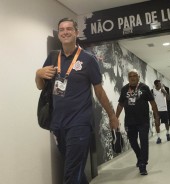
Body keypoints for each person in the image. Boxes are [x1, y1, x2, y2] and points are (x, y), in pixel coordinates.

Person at [35, 18, 119, 184]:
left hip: (79, 123)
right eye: (61, 30)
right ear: (59, 35)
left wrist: (112, 116)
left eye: (69, 29)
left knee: (71, 174)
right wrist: (38, 73)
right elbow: (40, 87)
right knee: (75, 170)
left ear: (76, 32)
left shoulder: (88, 59)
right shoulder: (52, 57)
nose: (65, 32)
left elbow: (99, 91)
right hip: (58, 124)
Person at [116, 69, 160, 175]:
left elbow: (152, 103)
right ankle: (139, 156)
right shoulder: (124, 89)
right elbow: (121, 104)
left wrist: (156, 116)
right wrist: (115, 117)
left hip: (143, 121)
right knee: (133, 142)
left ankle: (143, 165)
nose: (132, 77)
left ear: (138, 77)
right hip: (130, 121)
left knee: (144, 141)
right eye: (130, 76)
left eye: (134, 75)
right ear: (128, 78)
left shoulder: (144, 88)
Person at [151, 80, 170, 144]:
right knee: (157, 124)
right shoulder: (152, 91)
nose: (161, 85)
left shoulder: (163, 90)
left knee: (166, 123)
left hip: (164, 110)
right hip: (156, 111)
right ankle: (158, 138)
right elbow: (151, 100)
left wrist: (165, 92)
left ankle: (167, 133)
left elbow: (168, 99)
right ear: (156, 85)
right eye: (159, 84)